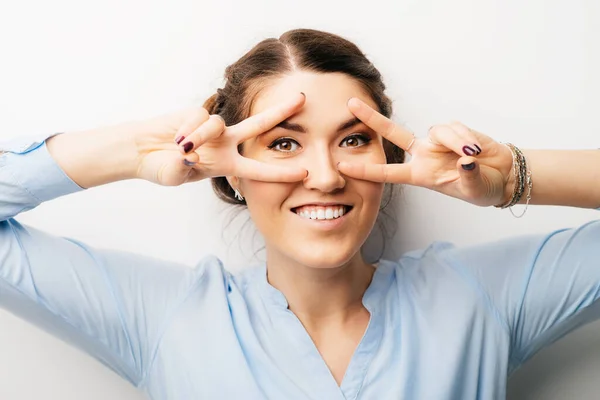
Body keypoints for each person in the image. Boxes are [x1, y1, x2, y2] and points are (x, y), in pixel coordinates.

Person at [0, 28, 599, 400]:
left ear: (389, 155)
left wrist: (514, 177)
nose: (326, 174)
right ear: (232, 168)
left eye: (353, 139)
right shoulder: (166, 318)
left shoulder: (477, 300)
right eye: (284, 143)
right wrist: (135, 152)